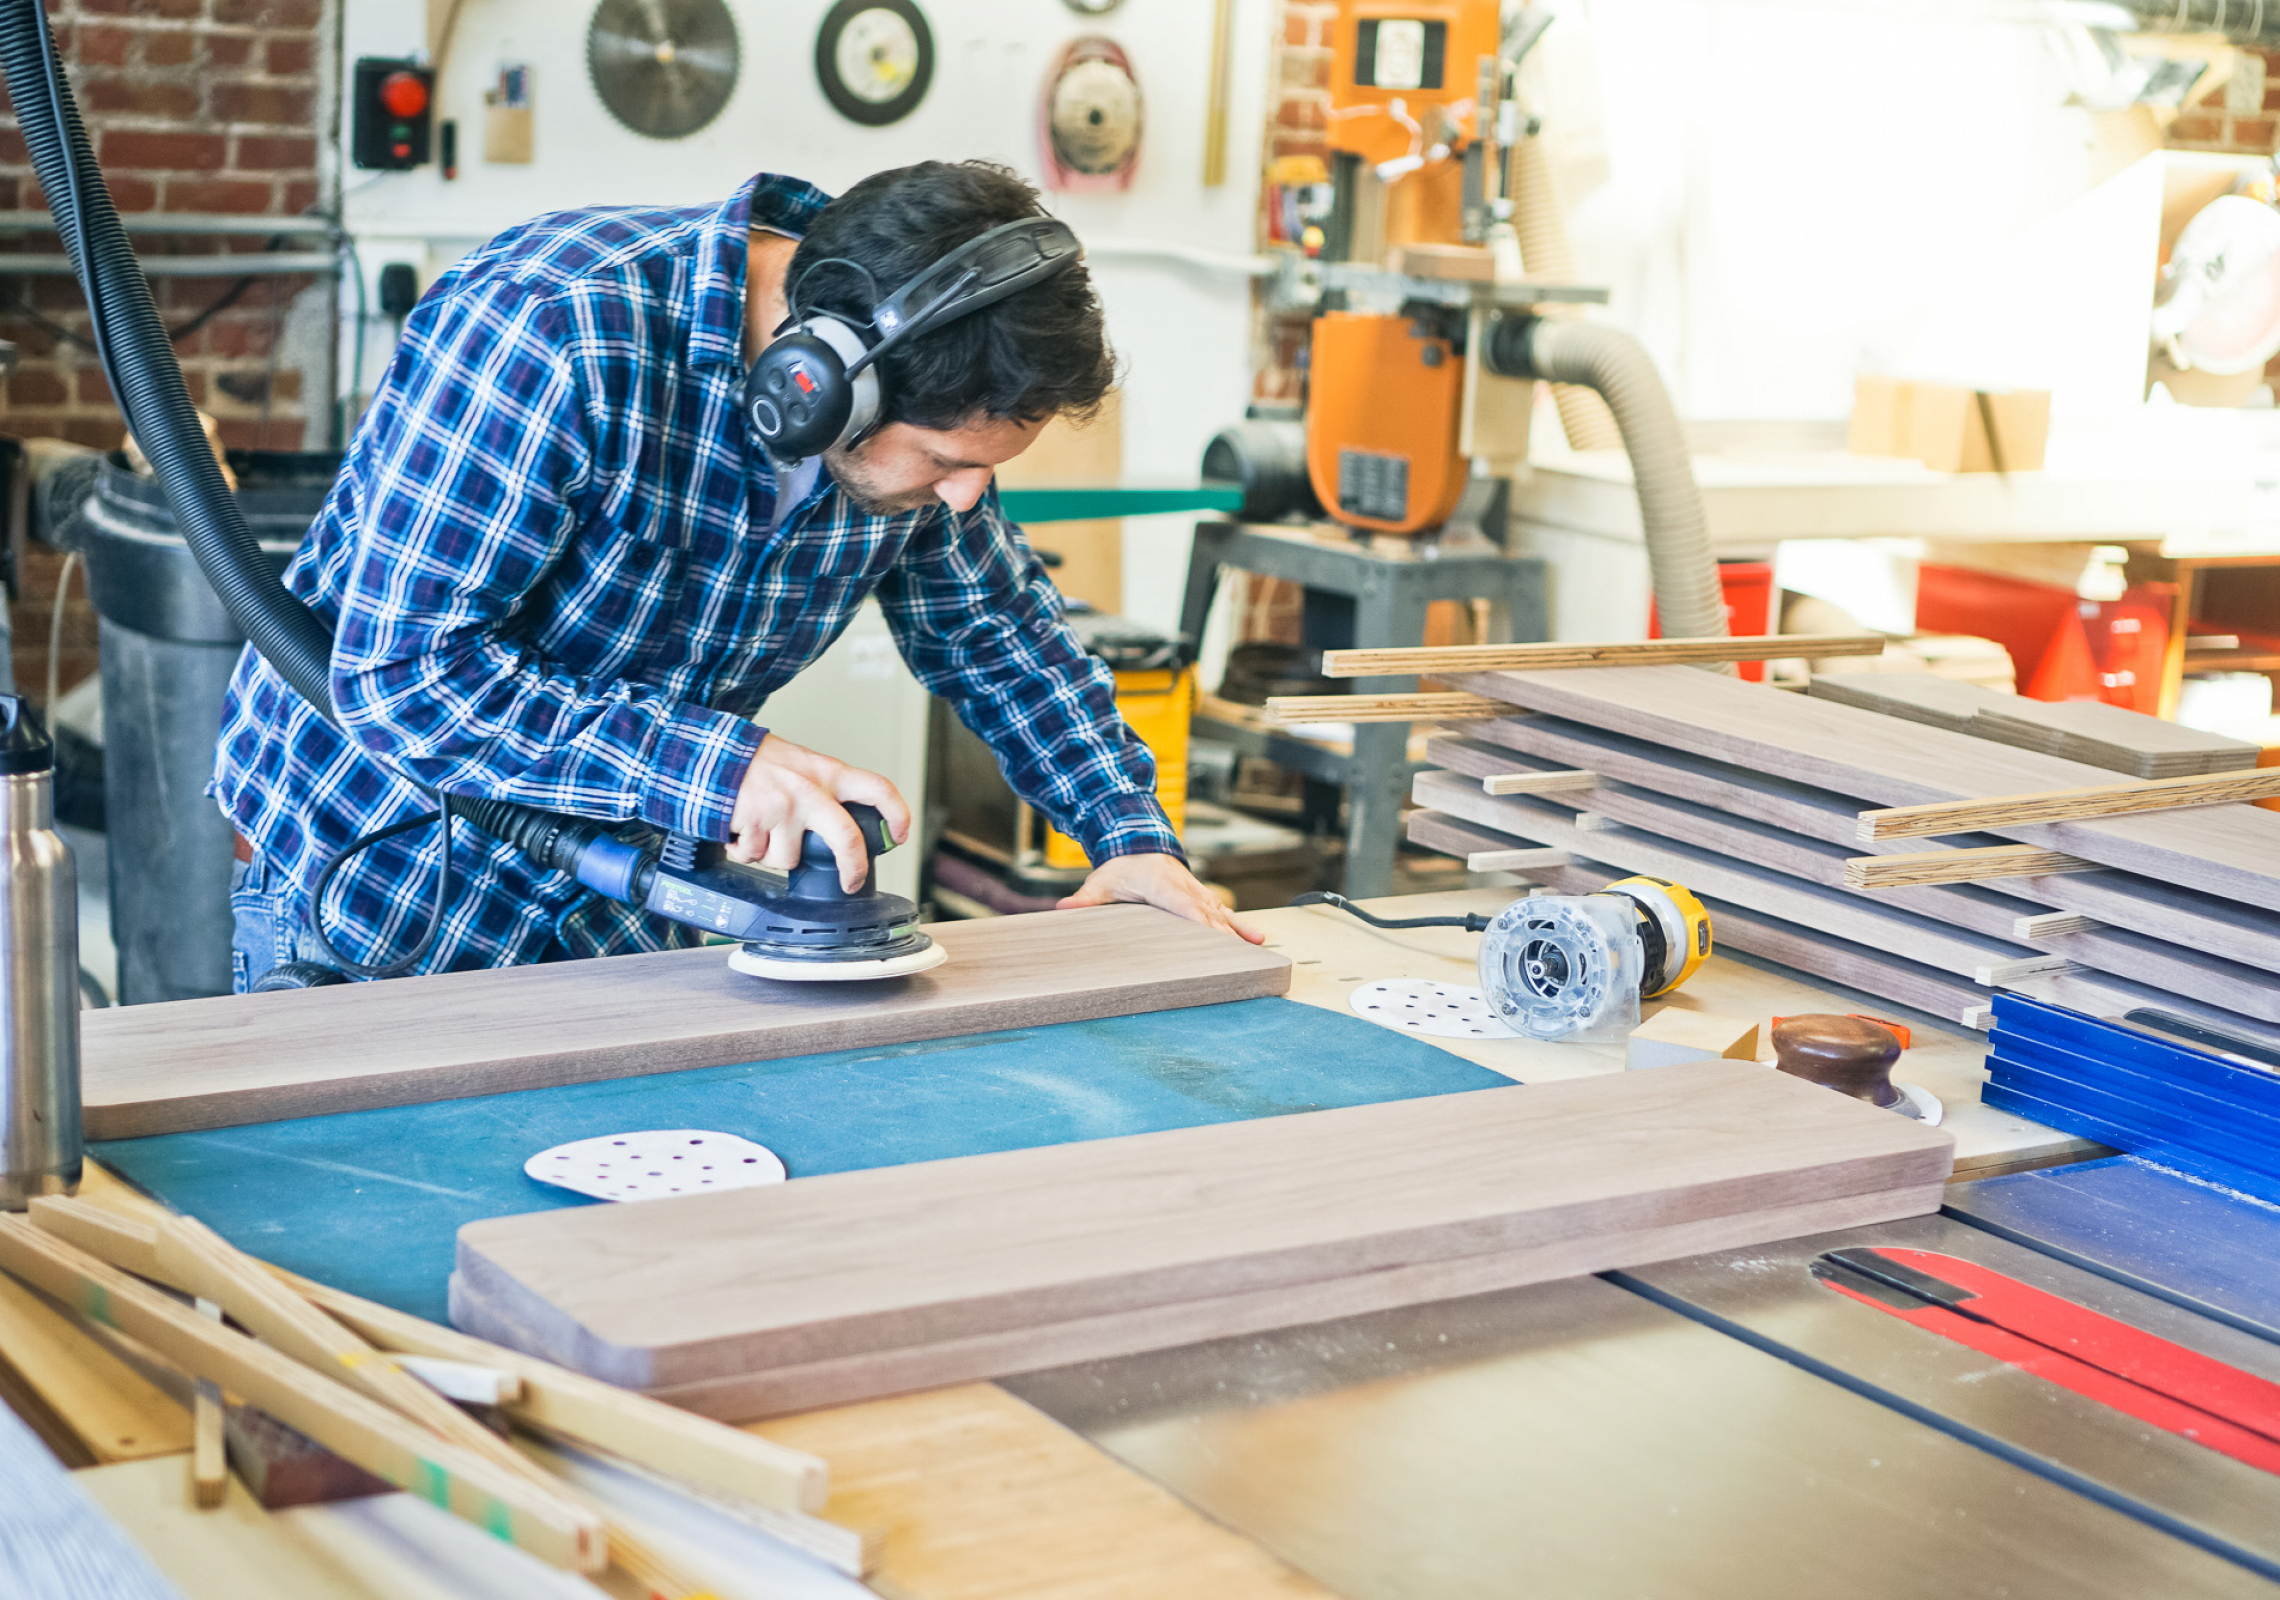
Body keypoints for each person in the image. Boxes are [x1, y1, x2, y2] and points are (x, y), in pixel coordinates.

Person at [214, 160, 1259, 992]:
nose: (970, 499)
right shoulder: (557, 323)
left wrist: (1127, 835)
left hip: (614, 899)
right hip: (380, 872)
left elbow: (999, 635)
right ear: (822, 388)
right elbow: (403, 675)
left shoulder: (921, 429)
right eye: (947, 462)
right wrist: (724, 767)